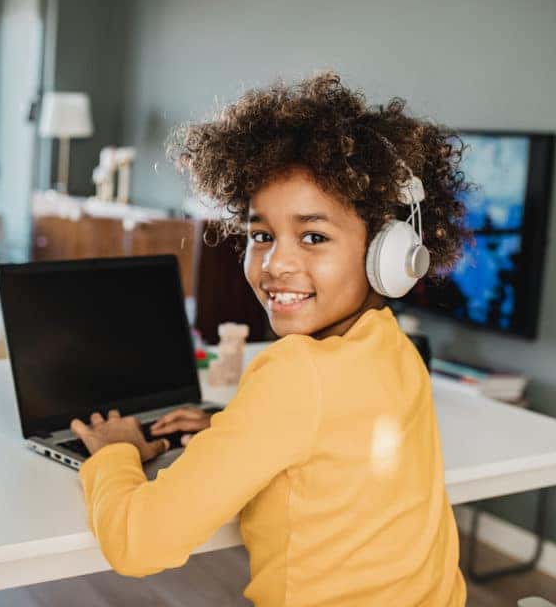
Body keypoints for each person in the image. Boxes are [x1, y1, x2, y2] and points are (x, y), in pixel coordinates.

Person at [69, 71, 471, 606]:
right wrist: (228, 427)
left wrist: (115, 454)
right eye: (261, 235)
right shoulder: (393, 346)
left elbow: (138, 545)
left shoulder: (297, 373)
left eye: (313, 236)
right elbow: (334, 436)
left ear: (387, 252)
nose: (277, 262)